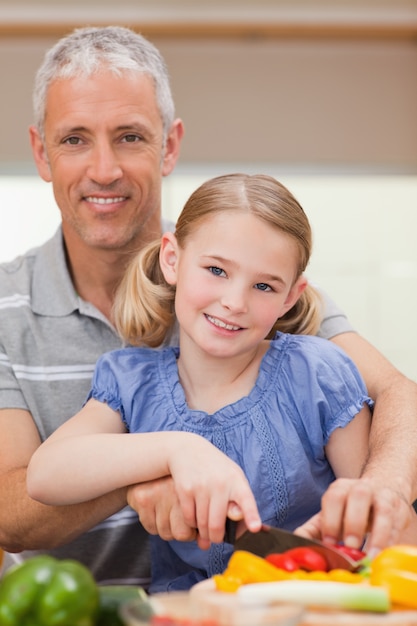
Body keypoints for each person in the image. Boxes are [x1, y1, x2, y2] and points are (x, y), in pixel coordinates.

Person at [0, 25, 416, 587]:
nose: (104, 169)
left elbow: (397, 394)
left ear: (169, 146)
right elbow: (14, 509)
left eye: (130, 136)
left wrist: (380, 493)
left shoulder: (264, 292)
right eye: (74, 138)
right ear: (41, 152)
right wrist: (167, 463)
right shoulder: (72, 345)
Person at [27, 172, 380, 592]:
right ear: (172, 259)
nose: (234, 301)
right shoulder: (130, 381)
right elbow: (45, 476)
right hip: (188, 609)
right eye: (216, 270)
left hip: (314, 605)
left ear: (291, 296)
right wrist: (178, 448)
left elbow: (377, 523)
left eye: (264, 285)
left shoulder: (317, 374)